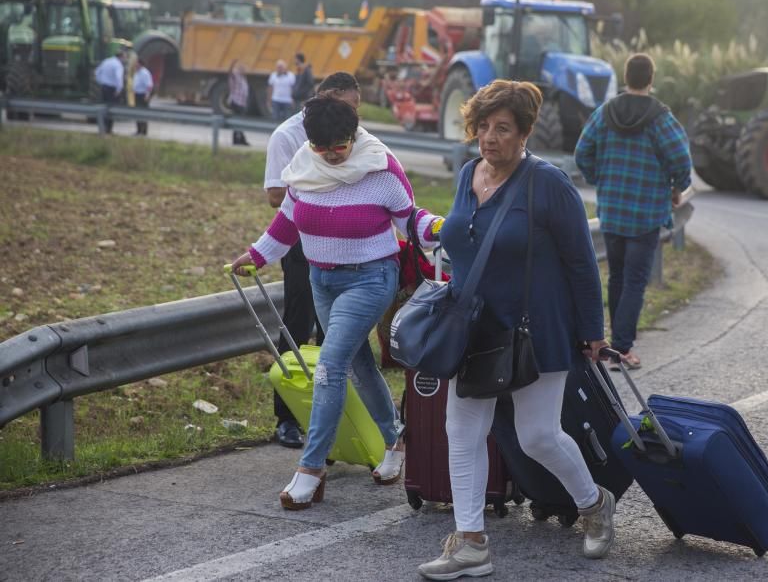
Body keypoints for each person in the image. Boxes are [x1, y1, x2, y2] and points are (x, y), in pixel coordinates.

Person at [419, 80, 616, 580]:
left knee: (538, 437)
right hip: (474, 330)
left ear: (525, 133)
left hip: (536, 330)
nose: (489, 138)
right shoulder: (468, 174)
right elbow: (462, 239)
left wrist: (593, 330)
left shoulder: (548, 183)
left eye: (502, 129)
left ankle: (594, 504)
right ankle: (470, 544)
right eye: (482, 127)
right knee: (462, 432)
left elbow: (580, 262)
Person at [229, 93, 443, 509]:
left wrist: (438, 225)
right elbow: (287, 221)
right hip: (320, 280)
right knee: (358, 365)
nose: (329, 155)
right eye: (319, 147)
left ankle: (311, 468)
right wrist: (256, 255)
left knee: (328, 367)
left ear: (354, 135)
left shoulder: (381, 166)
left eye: (338, 147)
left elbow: (409, 219)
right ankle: (395, 438)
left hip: (370, 279)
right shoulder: (305, 168)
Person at [263, 72, 364, 449]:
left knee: (336, 334)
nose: (355, 117)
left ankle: (334, 419)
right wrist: (325, 180)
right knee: (297, 325)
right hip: (304, 242)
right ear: (330, 98)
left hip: (347, 243)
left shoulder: (355, 135)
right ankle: (286, 418)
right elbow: (275, 196)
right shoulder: (287, 136)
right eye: (351, 107)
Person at [574, 53, 692, 371]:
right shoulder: (661, 118)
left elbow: (582, 151)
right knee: (636, 280)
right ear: (651, 79)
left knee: (616, 276)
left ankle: (614, 343)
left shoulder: (605, 113)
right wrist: (678, 187)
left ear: (625, 77)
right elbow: (680, 158)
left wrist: (599, 178)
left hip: (612, 209)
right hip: (646, 213)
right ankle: (623, 349)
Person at [94, 50, 126, 133]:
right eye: (124, 57)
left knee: (104, 108)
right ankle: (109, 129)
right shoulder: (118, 65)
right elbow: (119, 78)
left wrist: (101, 82)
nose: (125, 59)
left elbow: (97, 72)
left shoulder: (106, 61)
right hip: (112, 89)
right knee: (111, 109)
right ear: (121, 57)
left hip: (104, 87)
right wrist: (119, 89)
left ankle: (103, 128)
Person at [228, 61, 251, 146]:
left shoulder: (243, 78)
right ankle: (239, 140)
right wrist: (233, 64)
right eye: (242, 69)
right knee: (238, 121)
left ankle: (239, 140)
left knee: (239, 122)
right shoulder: (236, 75)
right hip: (236, 102)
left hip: (241, 103)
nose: (244, 70)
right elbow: (230, 73)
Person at [132, 59, 154, 136]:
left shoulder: (145, 73)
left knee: (143, 113)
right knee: (137, 113)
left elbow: (149, 86)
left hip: (143, 95)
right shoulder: (137, 72)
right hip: (137, 95)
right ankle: (139, 130)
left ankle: (143, 131)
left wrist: (147, 95)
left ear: (140, 64)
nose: (135, 65)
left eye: (136, 63)